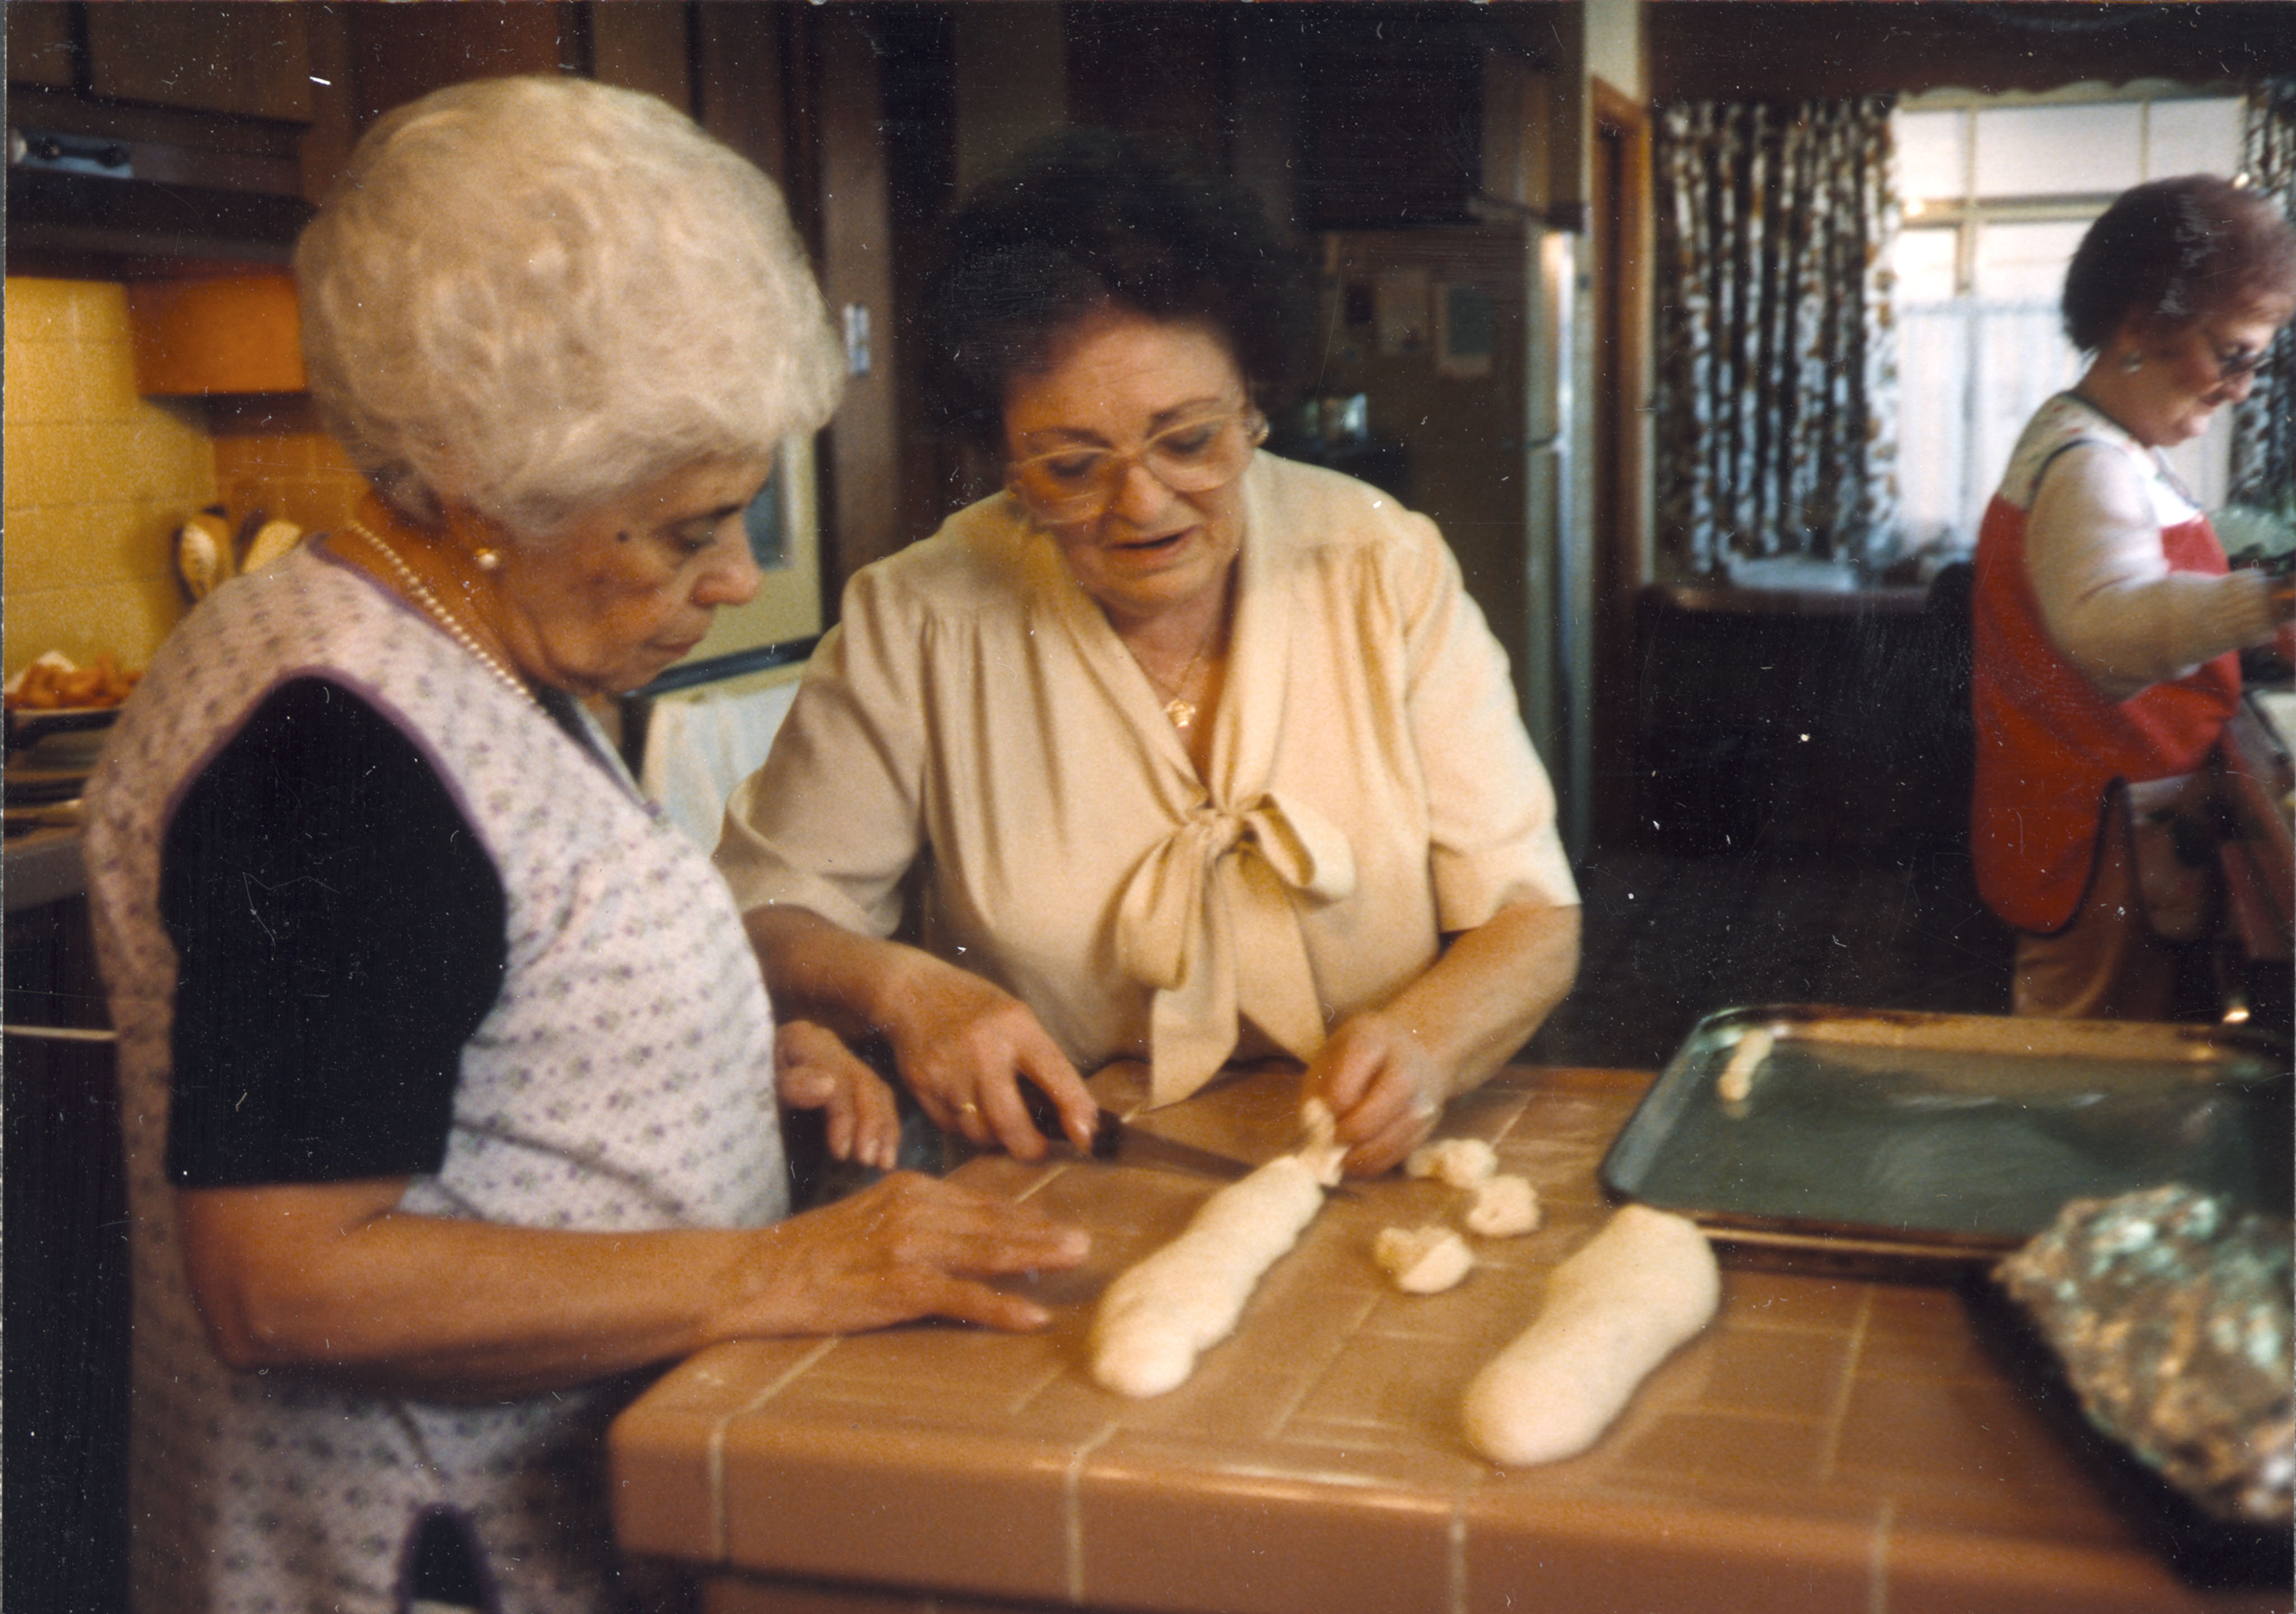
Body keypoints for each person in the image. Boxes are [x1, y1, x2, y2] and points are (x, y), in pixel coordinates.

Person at [82, 77, 1086, 1614]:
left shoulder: (477, 645)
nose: (738, 578)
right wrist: (784, 1267)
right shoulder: (331, 748)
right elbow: (283, 1273)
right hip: (421, 1555)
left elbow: (476, 1016)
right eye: (689, 529)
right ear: (488, 492)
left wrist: (711, 1056)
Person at [718, 130, 1581, 1178]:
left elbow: (1531, 916)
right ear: (1002, 457)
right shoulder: (920, 618)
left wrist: (1429, 1046)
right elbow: (768, 915)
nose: (1143, 502)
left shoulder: (1380, 566)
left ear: (1256, 404)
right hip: (1053, 1161)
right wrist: (903, 990)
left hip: (1376, 1159)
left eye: (1188, 441)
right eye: (1072, 465)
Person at [1970, 174, 2296, 1019]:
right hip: (2103, 834)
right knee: (2089, 1082)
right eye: (2234, 354)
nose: (2243, 387)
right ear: (2143, 324)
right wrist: (2273, 598)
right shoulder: (2093, 467)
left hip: (2097, 819)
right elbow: (2110, 635)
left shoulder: (2091, 438)